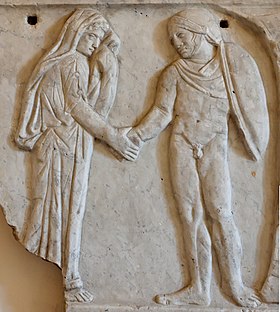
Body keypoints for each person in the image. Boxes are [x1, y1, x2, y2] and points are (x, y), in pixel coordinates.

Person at [127, 9, 269, 308]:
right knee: (190, 218)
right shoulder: (173, 73)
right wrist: (136, 135)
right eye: (172, 38)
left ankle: (235, 286)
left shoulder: (228, 68)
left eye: (181, 35)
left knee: (221, 213)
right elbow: (162, 113)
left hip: (214, 146)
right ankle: (198, 288)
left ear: (202, 31)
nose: (176, 42)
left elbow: (248, 105)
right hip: (181, 145)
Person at [15, 9, 139, 303]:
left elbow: (95, 110)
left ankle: (67, 271)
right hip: (62, 146)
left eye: (100, 39)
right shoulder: (73, 62)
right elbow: (78, 108)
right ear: (76, 31)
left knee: (57, 208)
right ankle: (70, 277)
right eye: (93, 36)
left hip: (66, 143)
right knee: (67, 208)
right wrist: (112, 138)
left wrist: (109, 71)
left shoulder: (73, 62)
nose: (95, 44)